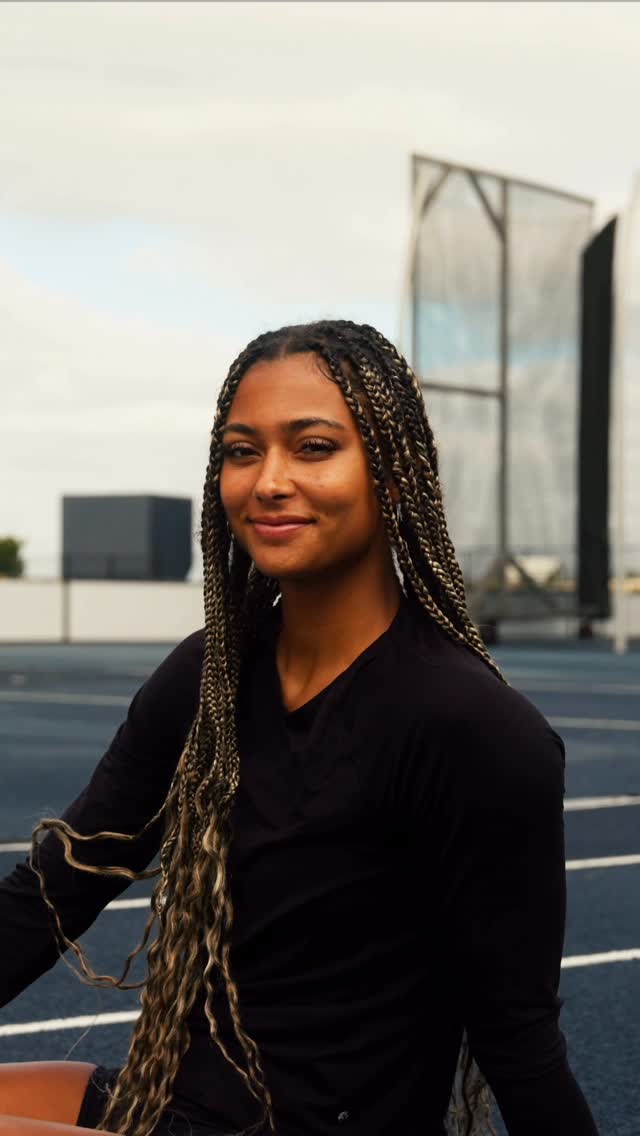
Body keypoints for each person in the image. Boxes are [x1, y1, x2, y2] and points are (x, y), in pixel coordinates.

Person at [0, 321, 599, 1136]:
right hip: (174, 1104)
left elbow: (519, 1040)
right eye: (242, 452)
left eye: (313, 447)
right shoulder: (209, 675)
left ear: (394, 472)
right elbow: (52, 892)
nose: (269, 481)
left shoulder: (477, 730)